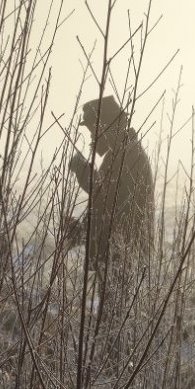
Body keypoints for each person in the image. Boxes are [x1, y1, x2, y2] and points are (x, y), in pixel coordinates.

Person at [66, 95, 154, 272]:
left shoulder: (128, 155)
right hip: (119, 255)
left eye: (93, 130)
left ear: (105, 127)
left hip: (122, 257)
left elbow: (106, 197)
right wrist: (80, 231)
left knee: (115, 300)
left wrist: (81, 168)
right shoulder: (123, 152)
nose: (91, 137)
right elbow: (108, 204)